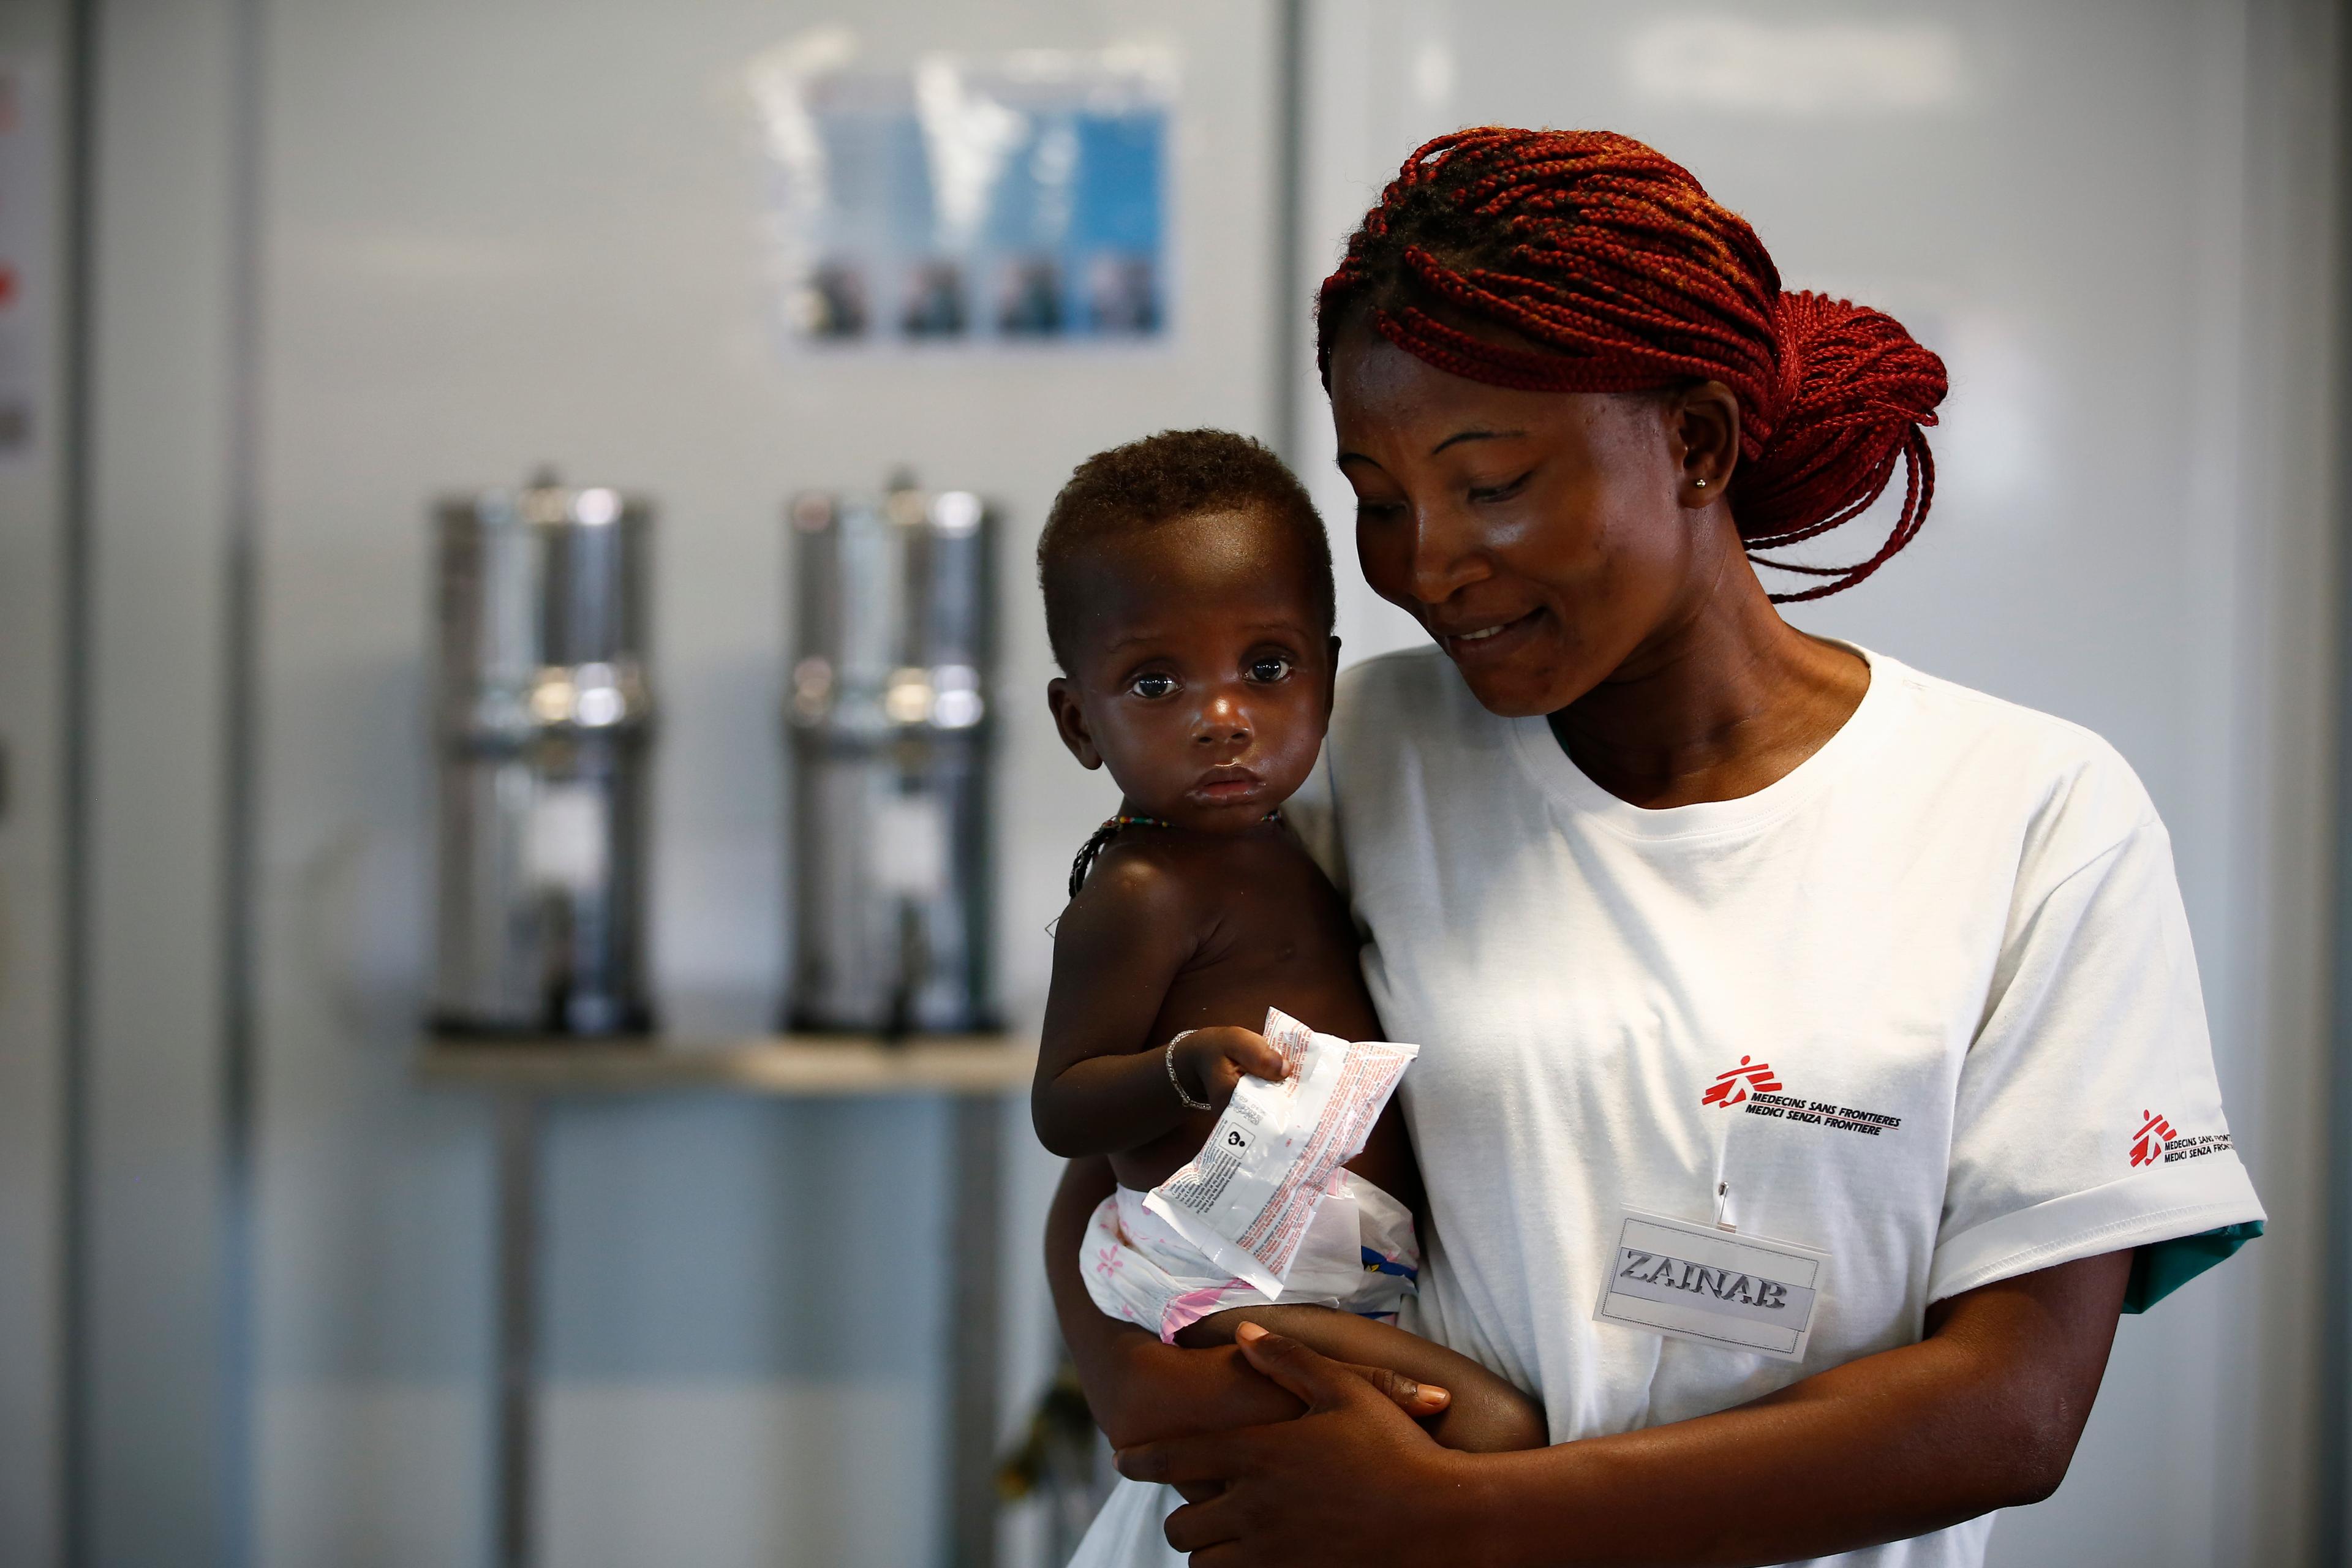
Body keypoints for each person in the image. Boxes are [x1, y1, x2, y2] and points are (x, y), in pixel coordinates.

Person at [1049, 128, 2267, 1568]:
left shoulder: (2030, 809)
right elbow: (1117, 1184)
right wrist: (1163, 1420)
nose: (1428, 561)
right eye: (1379, 499)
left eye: (1489, 482)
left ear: (1695, 443)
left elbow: (2015, 1408)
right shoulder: (1343, 759)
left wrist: (1467, 1516)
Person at [1032, 429, 1546, 1454]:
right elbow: (1062, 1107)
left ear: (1326, 672)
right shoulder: (1139, 892)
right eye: (1154, 685)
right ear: (1079, 722)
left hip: (1331, 1268)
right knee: (1492, 1428)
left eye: (1267, 668)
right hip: (1215, 1272)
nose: (1224, 718)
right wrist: (1182, 1068)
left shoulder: (1301, 832)